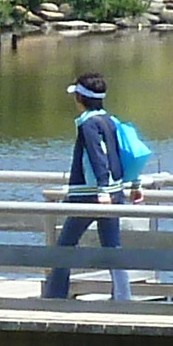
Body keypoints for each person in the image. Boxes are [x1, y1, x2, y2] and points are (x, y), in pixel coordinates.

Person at [41, 71, 139, 301]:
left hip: (89, 195)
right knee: (112, 248)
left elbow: (98, 156)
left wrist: (102, 189)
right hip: (115, 192)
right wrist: (134, 183)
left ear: (80, 98)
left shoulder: (88, 125)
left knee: (65, 247)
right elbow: (128, 153)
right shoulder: (111, 120)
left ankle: (54, 297)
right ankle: (123, 298)